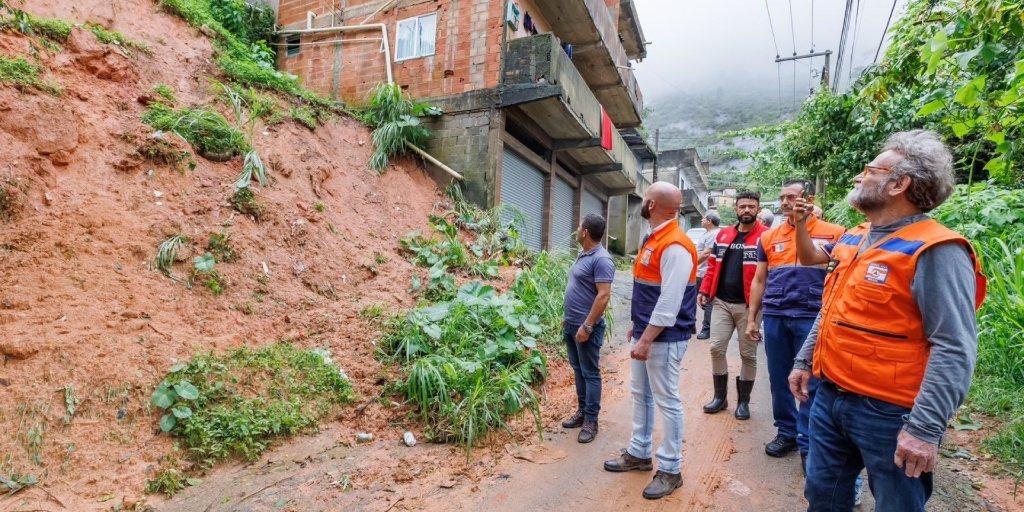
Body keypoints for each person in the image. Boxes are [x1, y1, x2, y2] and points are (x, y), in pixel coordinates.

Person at [788, 130, 987, 511]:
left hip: (890, 414)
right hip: (830, 396)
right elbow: (832, 310)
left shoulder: (937, 250)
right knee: (822, 497)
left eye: (870, 170)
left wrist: (925, 429)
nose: (859, 177)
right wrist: (804, 362)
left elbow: (955, 345)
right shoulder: (857, 237)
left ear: (899, 184)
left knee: (897, 505)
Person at [603, 182, 697, 500]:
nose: (643, 202)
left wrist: (646, 340)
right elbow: (647, 289)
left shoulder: (675, 246)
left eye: (645, 198)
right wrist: (636, 327)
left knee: (667, 400)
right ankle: (639, 453)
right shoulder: (653, 238)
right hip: (646, 332)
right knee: (640, 393)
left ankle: (671, 469)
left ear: (652, 205)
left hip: (664, 338)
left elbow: (669, 304)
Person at [745, 180, 846, 461]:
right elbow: (760, 279)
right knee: (779, 378)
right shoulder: (769, 237)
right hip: (777, 315)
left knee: (811, 382)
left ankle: (809, 441)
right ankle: (786, 431)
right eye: (781, 197)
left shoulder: (835, 233)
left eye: (791, 196)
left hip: (812, 317)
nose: (785, 202)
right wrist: (753, 318)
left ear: (807, 198)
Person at [698, 191, 770, 420]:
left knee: (747, 354)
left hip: (750, 307)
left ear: (758, 210)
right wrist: (704, 290)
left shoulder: (767, 236)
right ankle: (720, 398)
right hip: (721, 302)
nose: (746, 210)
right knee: (716, 348)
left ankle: (744, 402)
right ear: (736, 209)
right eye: (742, 206)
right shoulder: (724, 235)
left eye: (751, 206)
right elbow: (712, 266)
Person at [561, 214, 615, 444]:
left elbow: (604, 295)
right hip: (572, 324)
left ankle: (591, 421)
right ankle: (582, 411)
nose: (576, 228)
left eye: (579, 225)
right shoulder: (583, 254)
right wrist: (568, 318)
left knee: (590, 372)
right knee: (578, 369)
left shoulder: (602, 259)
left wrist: (587, 325)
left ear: (585, 232)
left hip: (586, 327)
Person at [695, 211, 721, 340]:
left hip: (705, 272)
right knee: (697, 299)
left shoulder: (714, 234)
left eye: (704, 218)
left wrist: (692, 265)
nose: (702, 220)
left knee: (706, 301)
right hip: (701, 272)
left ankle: (707, 328)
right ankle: (691, 324)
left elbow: (706, 254)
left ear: (710, 221)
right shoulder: (708, 233)